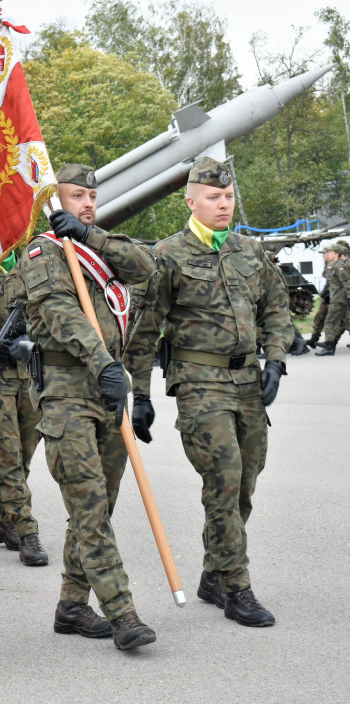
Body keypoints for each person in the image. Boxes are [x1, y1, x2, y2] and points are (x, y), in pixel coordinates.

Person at [127, 156, 294, 628]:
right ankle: (237, 587)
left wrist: (276, 360)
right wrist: (140, 395)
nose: (224, 204)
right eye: (214, 198)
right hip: (200, 385)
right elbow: (144, 331)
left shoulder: (249, 250)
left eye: (228, 196)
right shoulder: (167, 255)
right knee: (223, 479)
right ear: (191, 201)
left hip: (248, 384)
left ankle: (213, 574)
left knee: (245, 483)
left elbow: (276, 307)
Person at [18, 163, 156, 651]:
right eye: (77, 196)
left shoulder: (96, 248)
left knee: (101, 505)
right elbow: (58, 314)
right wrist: (103, 362)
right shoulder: (42, 252)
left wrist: (91, 236)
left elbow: (147, 268)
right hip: (66, 392)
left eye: (92, 196)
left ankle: (72, 605)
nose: (88, 203)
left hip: (108, 390)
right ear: (56, 202)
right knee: (90, 507)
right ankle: (122, 613)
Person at [0, 253, 47, 566]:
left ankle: (4, 521)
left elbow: (50, 315)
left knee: (25, 455)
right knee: (9, 459)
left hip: (29, 376)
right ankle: (27, 531)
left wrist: (32, 336)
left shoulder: (32, 267)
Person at [314, 243, 348, 356]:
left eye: (330, 252)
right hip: (336, 298)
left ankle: (329, 346)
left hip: (339, 299)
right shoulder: (333, 265)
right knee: (346, 321)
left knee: (330, 321)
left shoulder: (340, 266)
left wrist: (348, 297)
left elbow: (346, 283)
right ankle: (330, 345)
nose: (327, 254)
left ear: (336, 254)